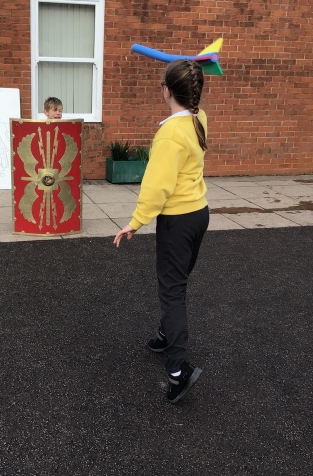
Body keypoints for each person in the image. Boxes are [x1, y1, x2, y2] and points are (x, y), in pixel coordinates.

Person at [113, 59, 210, 404]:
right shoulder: (198, 118)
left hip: (178, 221)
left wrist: (136, 221)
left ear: (167, 91)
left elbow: (157, 187)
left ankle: (177, 372)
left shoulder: (170, 134)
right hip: (198, 214)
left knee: (172, 291)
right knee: (176, 282)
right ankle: (166, 335)